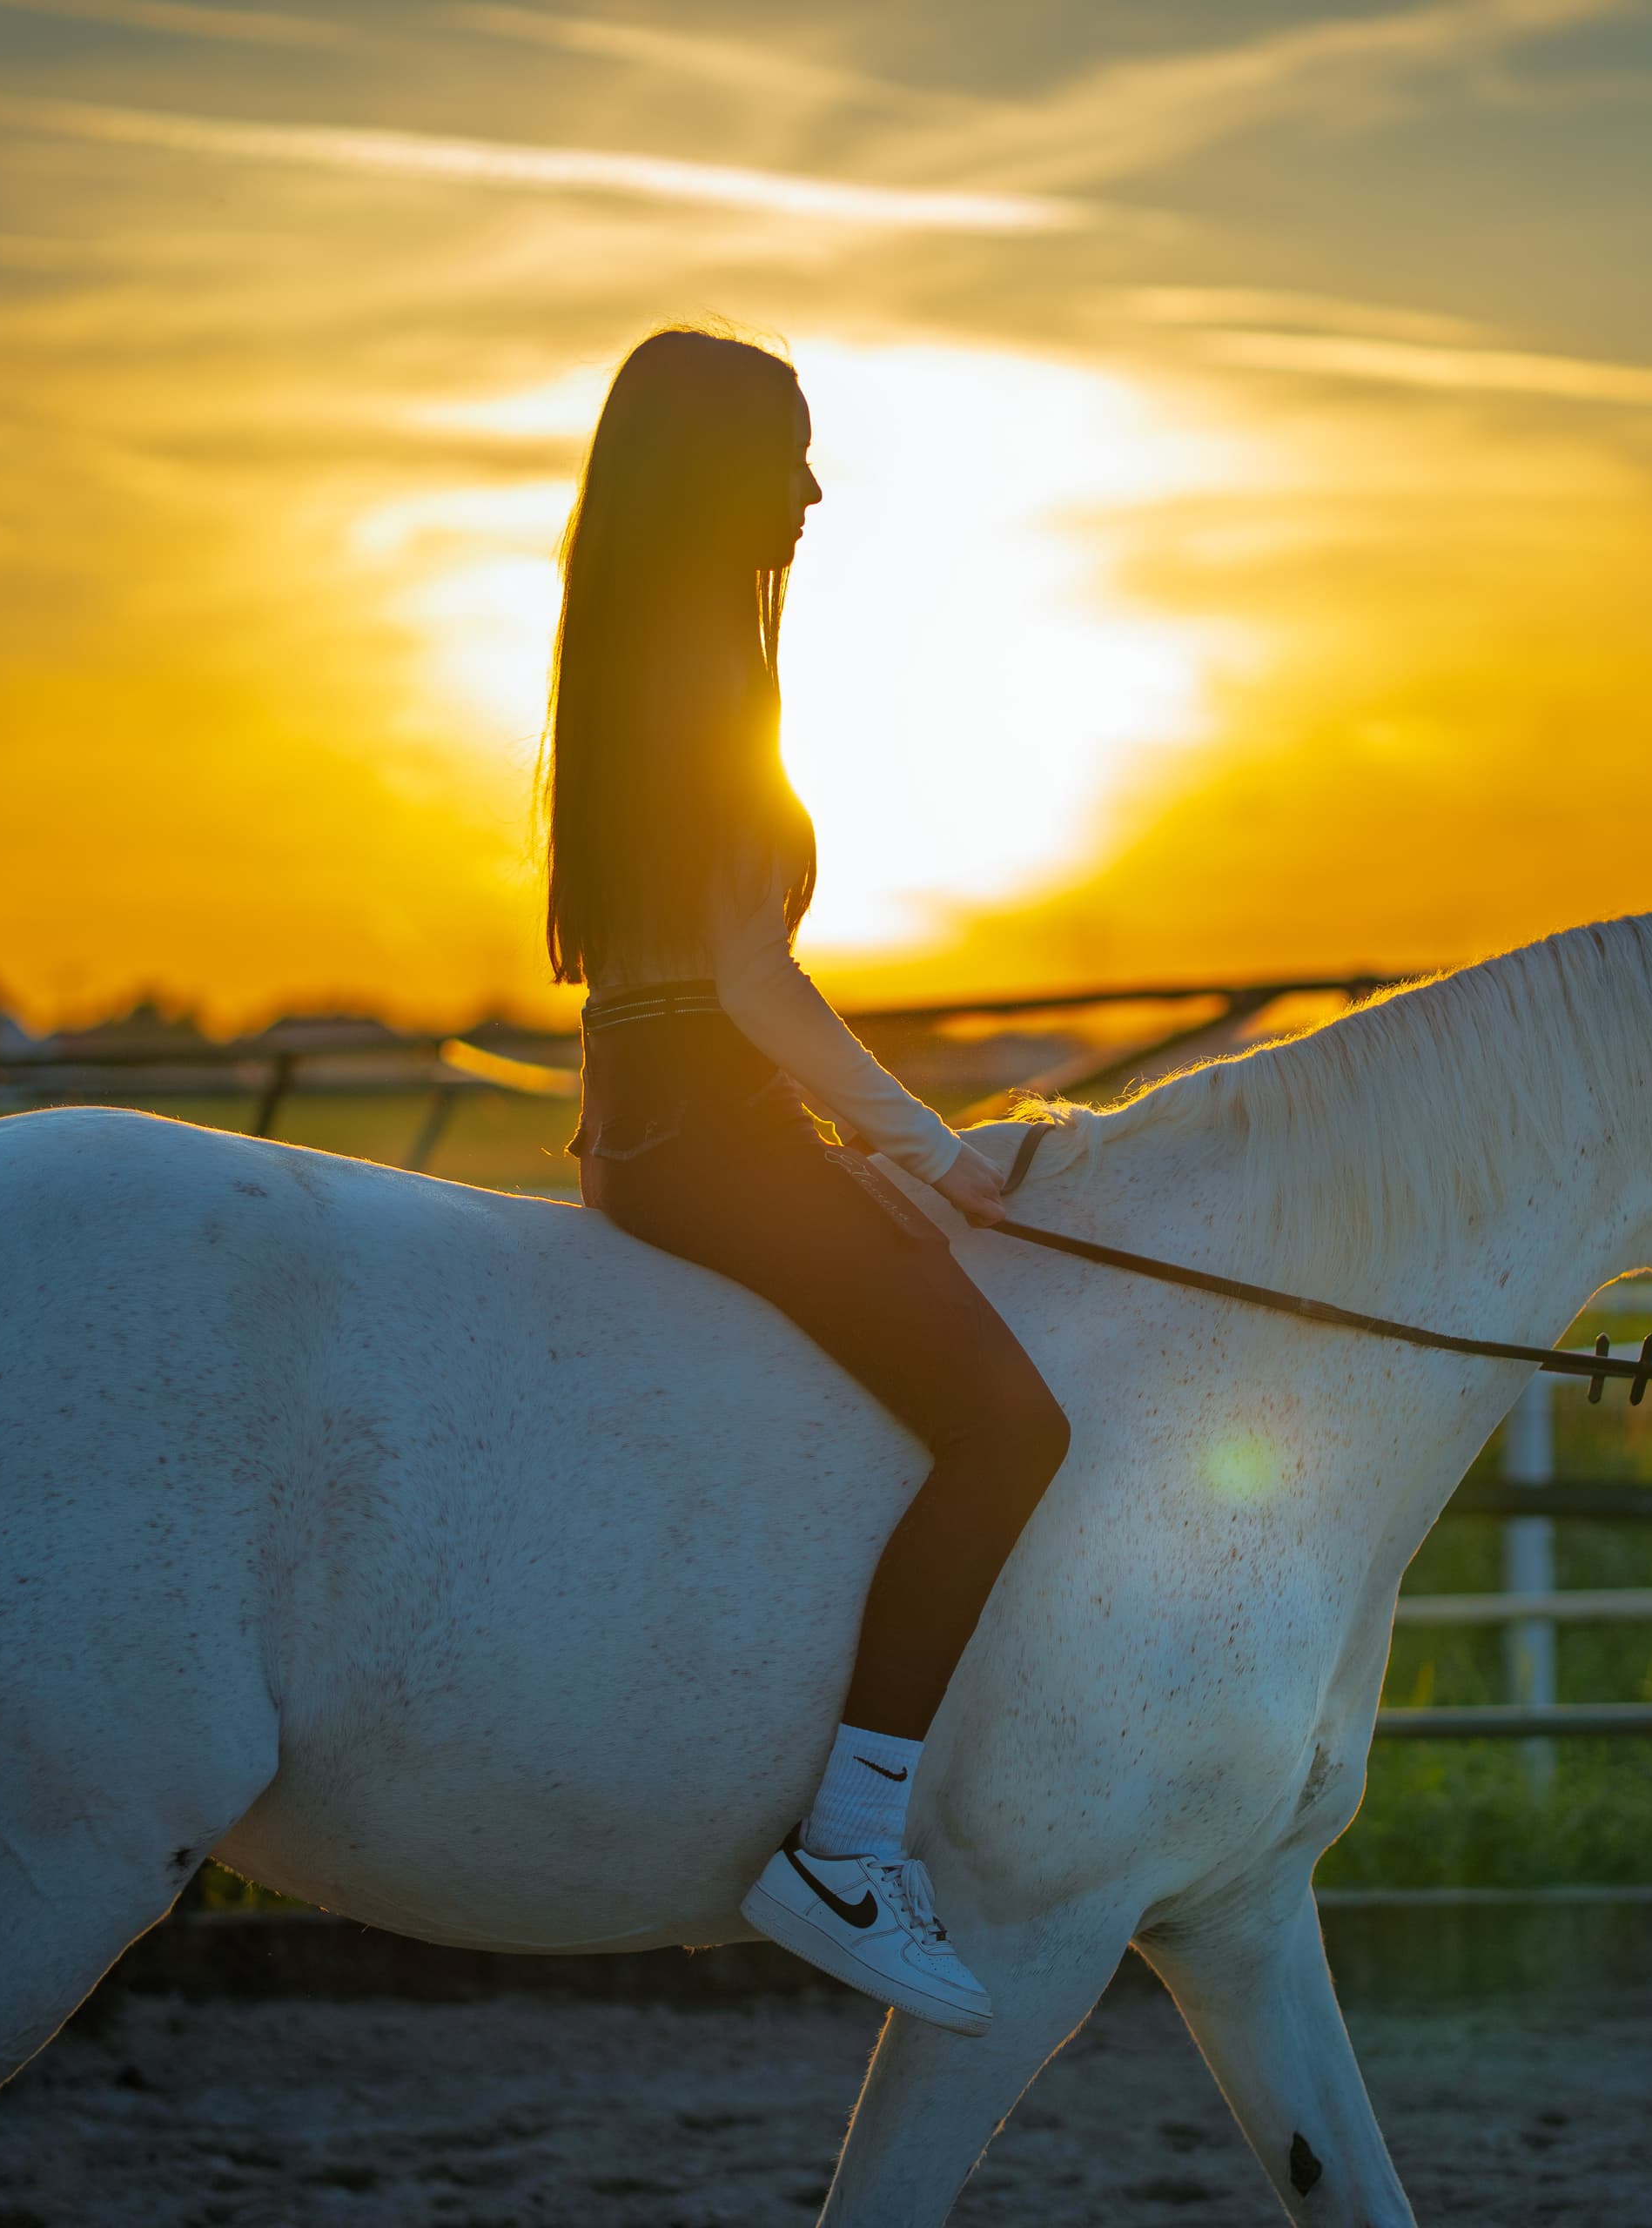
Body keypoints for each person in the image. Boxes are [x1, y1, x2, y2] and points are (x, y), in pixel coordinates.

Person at [541, 327, 1071, 2037]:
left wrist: (838, 1146)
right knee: (1014, 1425)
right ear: (722, 474)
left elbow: (677, 989)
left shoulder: (630, 653)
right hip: (712, 1132)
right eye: (793, 453)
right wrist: (922, 1138)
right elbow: (746, 972)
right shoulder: (703, 663)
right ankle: (849, 1840)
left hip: (664, 1121)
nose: (818, 488)